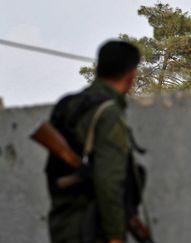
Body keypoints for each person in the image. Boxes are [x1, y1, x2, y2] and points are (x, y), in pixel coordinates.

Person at [45, 40, 141, 243]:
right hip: (92, 228)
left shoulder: (69, 104)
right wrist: (116, 236)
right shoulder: (109, 113)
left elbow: (52, 169)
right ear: (132, 74)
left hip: (64, 222)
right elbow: (109, 182)